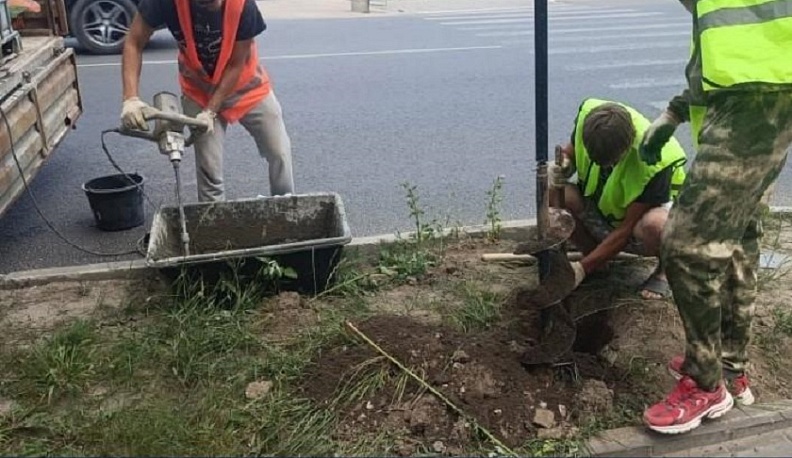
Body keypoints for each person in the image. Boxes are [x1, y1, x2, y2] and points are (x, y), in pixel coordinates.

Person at [639, 0, 792, 435]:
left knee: (686, 248)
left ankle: (706, 384)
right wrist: (676, 110)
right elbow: (720, 41)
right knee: (738, 240)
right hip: (756, 91)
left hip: (761, 96)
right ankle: (729, 367)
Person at [120, 0, 295, 202]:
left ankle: (286, 208)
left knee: (279, 153)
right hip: (199, 91)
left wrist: (210, 111)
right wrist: (130, 99)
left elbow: (235, 65)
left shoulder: (243, 6)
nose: (213, 5)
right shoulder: (164, 2)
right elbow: (134, 42)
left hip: (247, 86)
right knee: (209, 172)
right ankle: (213, 219)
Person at [549, 98, 687, 299]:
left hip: (639, 227)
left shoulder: (655, 160)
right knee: (554, 190)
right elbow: (569, 151)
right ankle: (596, 259)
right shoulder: (590, 120)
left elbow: (625, 231)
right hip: (606, 213)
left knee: (655, 225)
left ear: (627, 147)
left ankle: (664, 271)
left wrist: (580, 270)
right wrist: (564, 164)